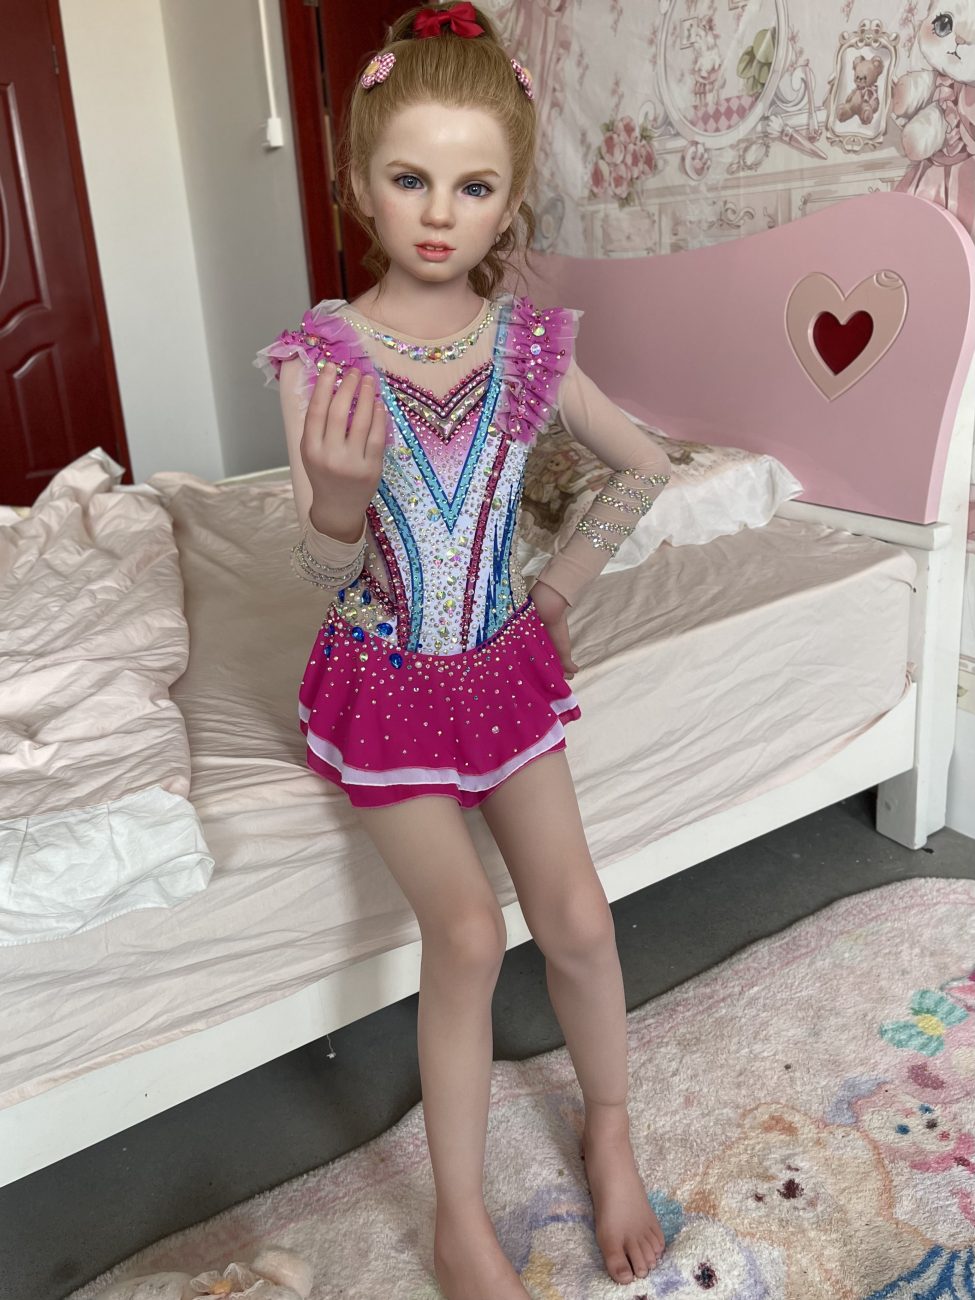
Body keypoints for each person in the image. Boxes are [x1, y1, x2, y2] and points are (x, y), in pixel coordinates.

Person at [255, 4, 674, 1295]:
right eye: (411, 178)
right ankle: (457, 1217)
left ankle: (609, 1129)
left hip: (500, 666)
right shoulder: (323, 358)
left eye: (474, 186)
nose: (441, 214)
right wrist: (336, 505)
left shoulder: (528, 347)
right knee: (472, 934)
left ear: (509, 205)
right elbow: (321, 576)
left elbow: (647, 467)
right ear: (359, 185)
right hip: (384, 680)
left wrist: (559, 587)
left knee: (581, 921)